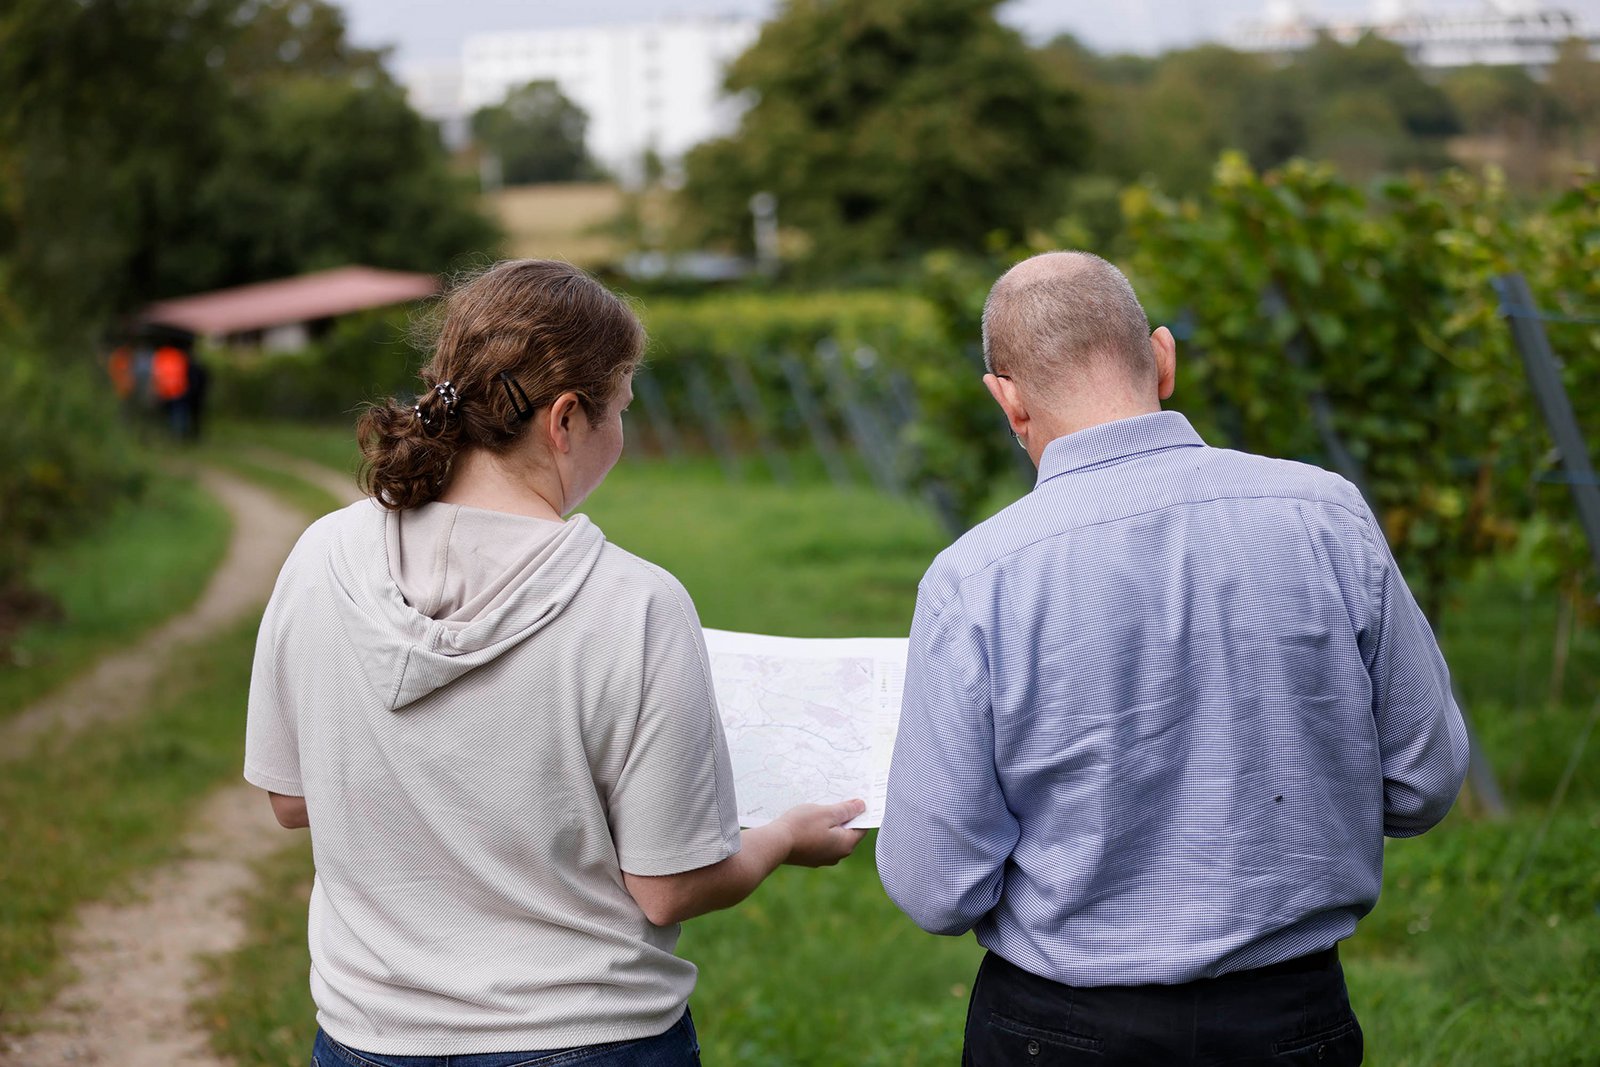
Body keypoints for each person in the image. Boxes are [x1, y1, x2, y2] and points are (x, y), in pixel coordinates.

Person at [244, 259, 866, 1066]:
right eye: (621, 412)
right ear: (566, 419)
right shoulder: (634, 603)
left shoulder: (321, 552)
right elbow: (670, 884)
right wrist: (783, 837)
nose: (623, 436)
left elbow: (291, 798)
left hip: (368, 1035)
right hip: (588, 1036)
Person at [876, 251, 1469, 1066]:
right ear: (1162, 356)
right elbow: (1425, 778)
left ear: (1005, 398)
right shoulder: (1326, 514)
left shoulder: (977, 578)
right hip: (1292, 1019)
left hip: (1060, 1032)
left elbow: (935, 883)